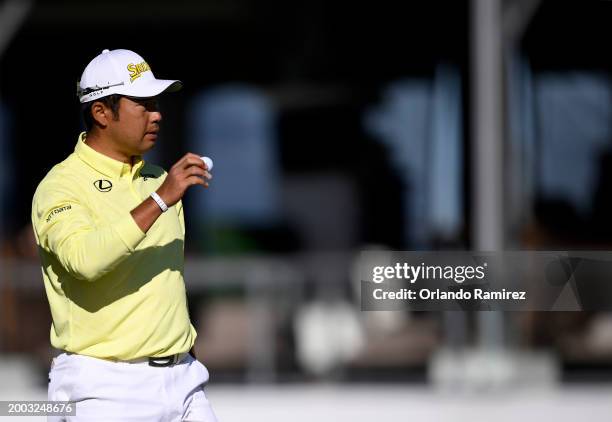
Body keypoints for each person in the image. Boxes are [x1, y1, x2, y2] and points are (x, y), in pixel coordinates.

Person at [31, 48, 217, 421]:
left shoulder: (158, 178)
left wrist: (182, 347)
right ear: (101, 112)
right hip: (104, 388)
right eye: (143, 104)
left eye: (156, 103)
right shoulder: (61, 186)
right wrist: (161, 199)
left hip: (184, 380)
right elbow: (84, 260)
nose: (157, 114)